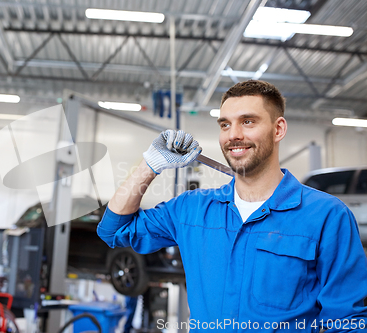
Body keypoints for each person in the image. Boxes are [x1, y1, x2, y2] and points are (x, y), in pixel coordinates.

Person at [97, 80, 367, 332]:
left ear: (278, 129)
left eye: (248, 122)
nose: (233, 135)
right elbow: (114, 230)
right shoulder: (192, 210)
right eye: (225, 125)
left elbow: (347, 320)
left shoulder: (326, 216)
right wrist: (149, 165)